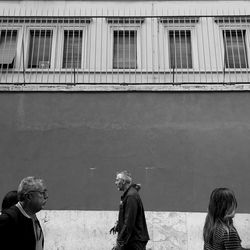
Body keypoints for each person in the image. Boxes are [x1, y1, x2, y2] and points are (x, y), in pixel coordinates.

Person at [0, 176, 48, 250]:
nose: (46, 196)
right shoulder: (8, 219)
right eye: (42, 193)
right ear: (29, 197)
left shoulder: (33, 218)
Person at [110, 170, 149, 250]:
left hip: (134, 242)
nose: (115, 182)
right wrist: (118, 224)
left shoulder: (131, 196)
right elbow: (127, 217)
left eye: (117, 180)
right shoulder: (129, 195)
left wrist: (120, 242)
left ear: (123, 181)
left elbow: (129, 223)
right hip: (131, 240)